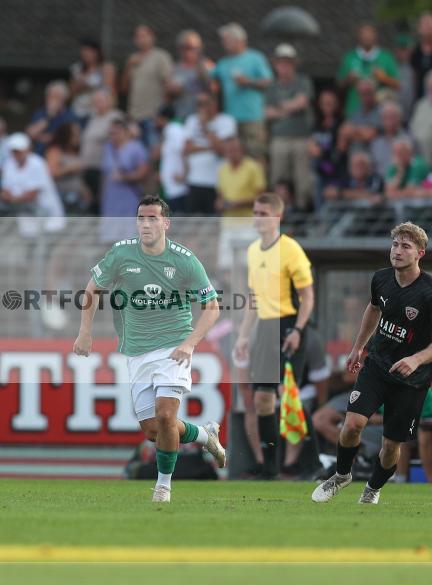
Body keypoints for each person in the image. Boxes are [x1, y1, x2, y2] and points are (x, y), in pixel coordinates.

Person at [73, 196, 226, 502]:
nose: (146, 223)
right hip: (137, 351)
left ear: (166, 223)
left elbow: (212, 307)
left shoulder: (184, 260)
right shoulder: (121, 253)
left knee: (166, 415)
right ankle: (204, 434)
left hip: (174, 347)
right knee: (153, 429)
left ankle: (163, 487)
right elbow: (92, 289)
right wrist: (84, 333)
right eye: (142, 218)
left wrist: (189, 343)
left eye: (153, 218)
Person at [311, 222, 432, 504]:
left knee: (391, 446)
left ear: (419, 254)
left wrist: (416, 359)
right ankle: (341, 476)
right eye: (395, 245)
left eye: (405, 247)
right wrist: (358, 347)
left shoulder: (431, 293)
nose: (398, 251)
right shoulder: (381, 278)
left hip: (411, 379)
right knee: (352, 425)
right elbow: (374, 308)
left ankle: (373, 489)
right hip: (377, 365)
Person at [233, 193, 315, 479]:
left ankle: (309, 462)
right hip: (266, 329)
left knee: (289, 395)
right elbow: (254, 299)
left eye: (263, 212)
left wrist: (298, 330)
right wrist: (244, 336)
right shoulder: (253, 251)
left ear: (277, 217)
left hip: (289, 324)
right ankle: (270, 466)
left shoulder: (290, 249)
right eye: (255, 212)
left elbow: (307, 296)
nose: (257, 217)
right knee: (262, 400)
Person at [211, 22, 272, 162]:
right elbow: (211, 78)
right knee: (234, 157)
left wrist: (248, 82)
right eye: (223, 40)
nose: (224, 43)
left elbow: (268, 81)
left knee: (255, 155)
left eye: (227, 39)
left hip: (252, 117)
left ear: (240, 40)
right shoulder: (223, 62)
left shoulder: (255, 58)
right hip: (230, 119)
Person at [266, 44, 315, 211]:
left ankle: (302, 210)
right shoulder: (272, 86)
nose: (284, 66)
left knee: (303, 179)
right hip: (279, 137)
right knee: (278, 177)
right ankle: (280, 211)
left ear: (294, 64)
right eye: (281, 62)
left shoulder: (302, 81)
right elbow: (267, 112)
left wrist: (281, 109)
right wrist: (289, 108)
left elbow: (301, 103)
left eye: (288, 62)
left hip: (301, 136)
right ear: (276, 64)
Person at [182, 91, 236, 215]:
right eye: (199, 104)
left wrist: (206, 127)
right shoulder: (191, 120)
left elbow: (222, 150)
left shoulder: (226, 121)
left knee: (213, 225)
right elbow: (187, 148)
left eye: (205, 104)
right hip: (194, 180)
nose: (202, 108)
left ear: (214, 104)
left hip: (216, 182)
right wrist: (210, 147)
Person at [120, 25, 173, 149]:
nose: (141, 39)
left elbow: (167, 85)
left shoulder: (161, 57)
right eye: (138, 37)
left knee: (152, 152)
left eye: (144, 36)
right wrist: (128, 67)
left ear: (152, 37)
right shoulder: (132, 59)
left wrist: (162, 114)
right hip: (134, 117)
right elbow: (123, 89)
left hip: (153, 115)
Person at [216, 137, 265, 269]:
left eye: (234, 150)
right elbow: (220, 196)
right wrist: (220, 204)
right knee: (226, 265)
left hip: (248, 223)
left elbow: (261, 198)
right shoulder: (222, 170)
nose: (231, 153)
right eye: (229, 150)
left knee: (246, 264)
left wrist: (239, 203)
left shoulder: (253, 167)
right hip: (228, 223)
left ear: (242, 150)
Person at [98, 119, 150, 241]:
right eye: (111, 133)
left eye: (116, 132)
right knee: (110, 242)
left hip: (129, 203)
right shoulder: (108, 148)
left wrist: (125, 177)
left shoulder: (136, 148)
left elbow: (143, 173)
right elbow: (105, 175)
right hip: (110, 204)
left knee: (129, 240)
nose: (113, 136)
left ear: (125, 132)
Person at [337, 24, 400, 116]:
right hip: (354, 110)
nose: (366, 37)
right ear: (358, 36)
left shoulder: (386, 57)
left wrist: (383, 78)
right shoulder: (349, 57)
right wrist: (348, 79)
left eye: (369, 35)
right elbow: (339, 84)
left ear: (375, 36)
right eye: (364, 35)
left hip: (379, 111)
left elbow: (398, 85)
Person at [80, 90, 123, 208]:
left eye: (100, 101)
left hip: (102, 168)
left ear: (110, 101)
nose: (96, 104)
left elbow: (117, 139)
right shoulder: (94, 118)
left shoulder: (115, 117)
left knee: (100, 202)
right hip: (88, 167)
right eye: (95, 101)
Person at [309, 89, 344, 206]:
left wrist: (320, 151)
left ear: (336, 104)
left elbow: (339, 150)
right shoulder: (317, 123)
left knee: (332, 204)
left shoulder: (341, 123)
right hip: (320, 170)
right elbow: (312, 146)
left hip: (336, 170)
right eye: (324, 103)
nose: (326, 106)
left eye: (330, 103)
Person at [168, 30, 213, 120]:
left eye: (194, 48)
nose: (190, 51)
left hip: (201, 118)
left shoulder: (207, 66)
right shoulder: (175, 69)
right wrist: (172, 91)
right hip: (180, 114)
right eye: (186, 48)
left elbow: (214, 90)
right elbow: (168, 95)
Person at [69, 38, 116, 125]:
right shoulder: (77, 68)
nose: (86, 54)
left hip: (97, 111)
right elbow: (71, 91)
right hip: (78, 110)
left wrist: (89, 84)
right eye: (84, 51)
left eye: (89, 51)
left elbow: (109, 89)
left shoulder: (106, 68)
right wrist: (80, 85)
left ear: (97, 52)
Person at [46, 122, 90, 214]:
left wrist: (84, 190)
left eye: (79, 134)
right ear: (66, 135)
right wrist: (70, 168)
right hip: (62, 196)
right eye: (75, 134)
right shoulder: (55, 151)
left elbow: (78, 178)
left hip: (78, 196)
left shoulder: (77, 151)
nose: (78, 137)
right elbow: (52, 174)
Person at [26, 80, 76, 156]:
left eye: (57, 97)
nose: (54, 100)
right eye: (51, 96)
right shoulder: (40, 113)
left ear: (64, 98)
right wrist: (49, 116)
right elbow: (31, 133)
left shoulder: (69, 115)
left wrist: (45, 137)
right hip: (39, 154)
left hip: (58, 157)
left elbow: (70, 139)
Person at [156, 106, 189, 214]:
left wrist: (184, 174)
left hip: (177, 186)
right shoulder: (169, 131)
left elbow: (184, 151)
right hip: (171, 187)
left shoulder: (174, 130)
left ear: (163, 118)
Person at [337, 78, 381, 156]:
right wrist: (360, 132)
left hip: (371, 158)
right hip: (354, 158)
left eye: (368, 93)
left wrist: (352, 131)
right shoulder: (356, 111)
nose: (365, 97)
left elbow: (369, 136)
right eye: (362, 94)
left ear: (374, 93)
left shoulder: (381, 111)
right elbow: (343, 135)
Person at [370, 101, 410, 178]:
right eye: (386, 117)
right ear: (381, 119)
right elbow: (372, 168)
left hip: (403, 184)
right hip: (380, 184)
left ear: (400, 118)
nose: (390, 120)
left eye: (393, 116)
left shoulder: (409, 140)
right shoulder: (376, 143)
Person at [410, 12, 432, 99]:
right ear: (419, 29)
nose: (428, 28)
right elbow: (414, 77)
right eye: (425, 24)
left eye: (430, 24)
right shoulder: (416, 52)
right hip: (421, 96)